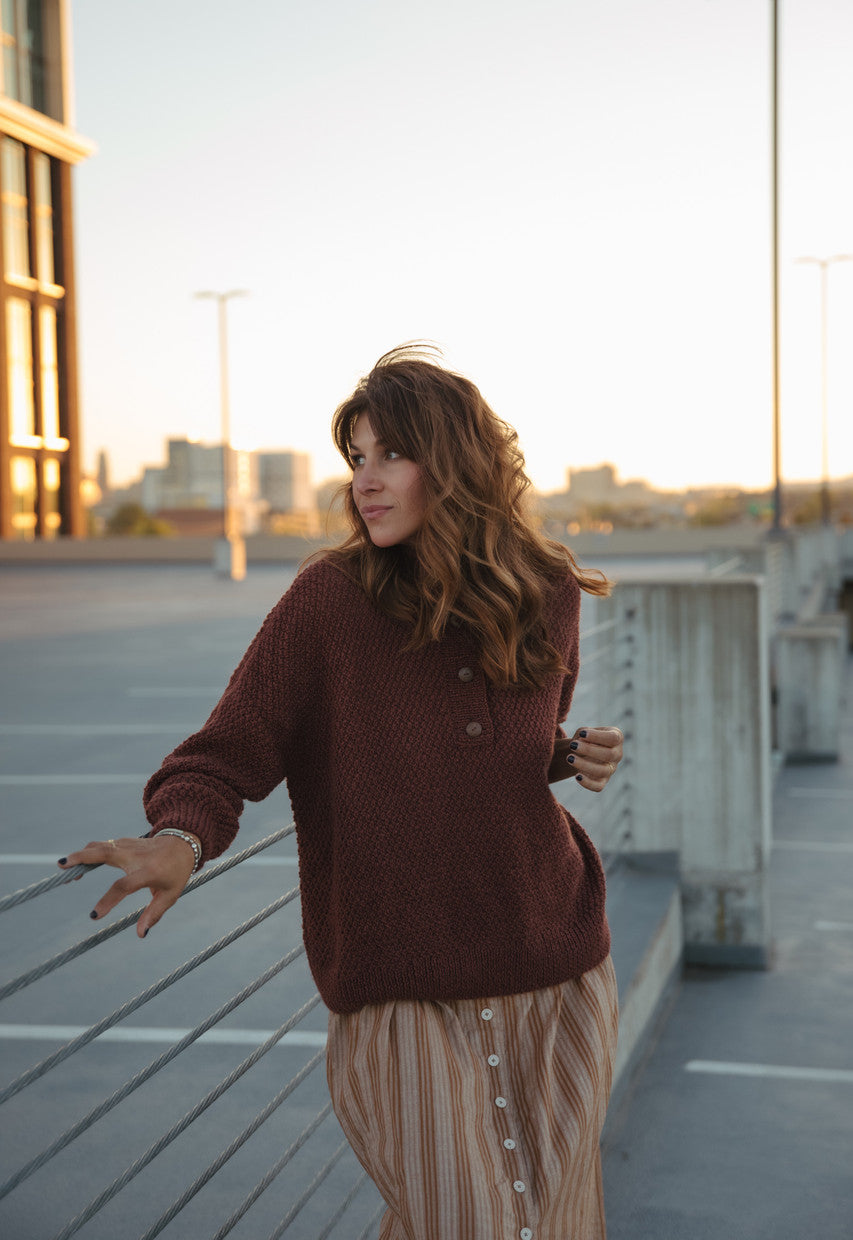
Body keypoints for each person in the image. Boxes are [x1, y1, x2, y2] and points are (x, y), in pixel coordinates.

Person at [60, 345, 624, 1240]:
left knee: (550, 1228)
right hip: (398, 984)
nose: (365, 480)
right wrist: (181, 837)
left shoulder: (545, 590)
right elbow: (223, 753)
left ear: (456, 462)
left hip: (553, 965)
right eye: (355, 458)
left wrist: (566, 756)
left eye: (390, 454)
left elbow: (497, 746)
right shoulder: (327, 600)